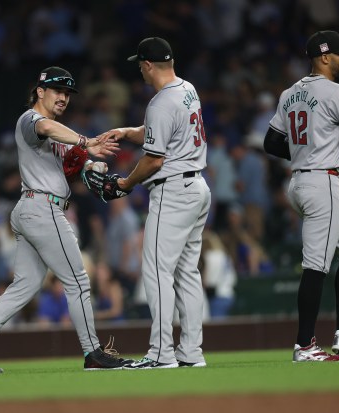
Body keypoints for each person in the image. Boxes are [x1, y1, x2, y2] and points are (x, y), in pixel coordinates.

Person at [0, 66, 130, 373]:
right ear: (40, 92)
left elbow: (72, 165)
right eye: (57, 90)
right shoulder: (31, 119)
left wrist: (93, 166)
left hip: (35, 208)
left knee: (25, 285)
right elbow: (48, 130)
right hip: (42, 208)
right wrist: (86, 141)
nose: (63, 97)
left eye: (67, 93)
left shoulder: (60, 134)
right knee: (77, 280)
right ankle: (93, 354)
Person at [264, 31, 339, 362]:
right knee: (315, 266)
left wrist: (304, 154)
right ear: (324, 57)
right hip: (322, 184)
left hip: (301, 183)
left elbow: (271, 143)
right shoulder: (335, 92)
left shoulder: (290, 93)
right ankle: (304, 345)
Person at [103, 37, 211, 369]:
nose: (139, 69)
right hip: (197, 187)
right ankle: (191, 353)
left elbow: (153, 160)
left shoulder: (161, 101)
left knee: (157, 271)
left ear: (149, 65)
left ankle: (162, 353)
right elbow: (160, 131)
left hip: (173, 191)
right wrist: (127, 131)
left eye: (140, 64)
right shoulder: (187, 88)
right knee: (187, 273)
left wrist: (124, 184)